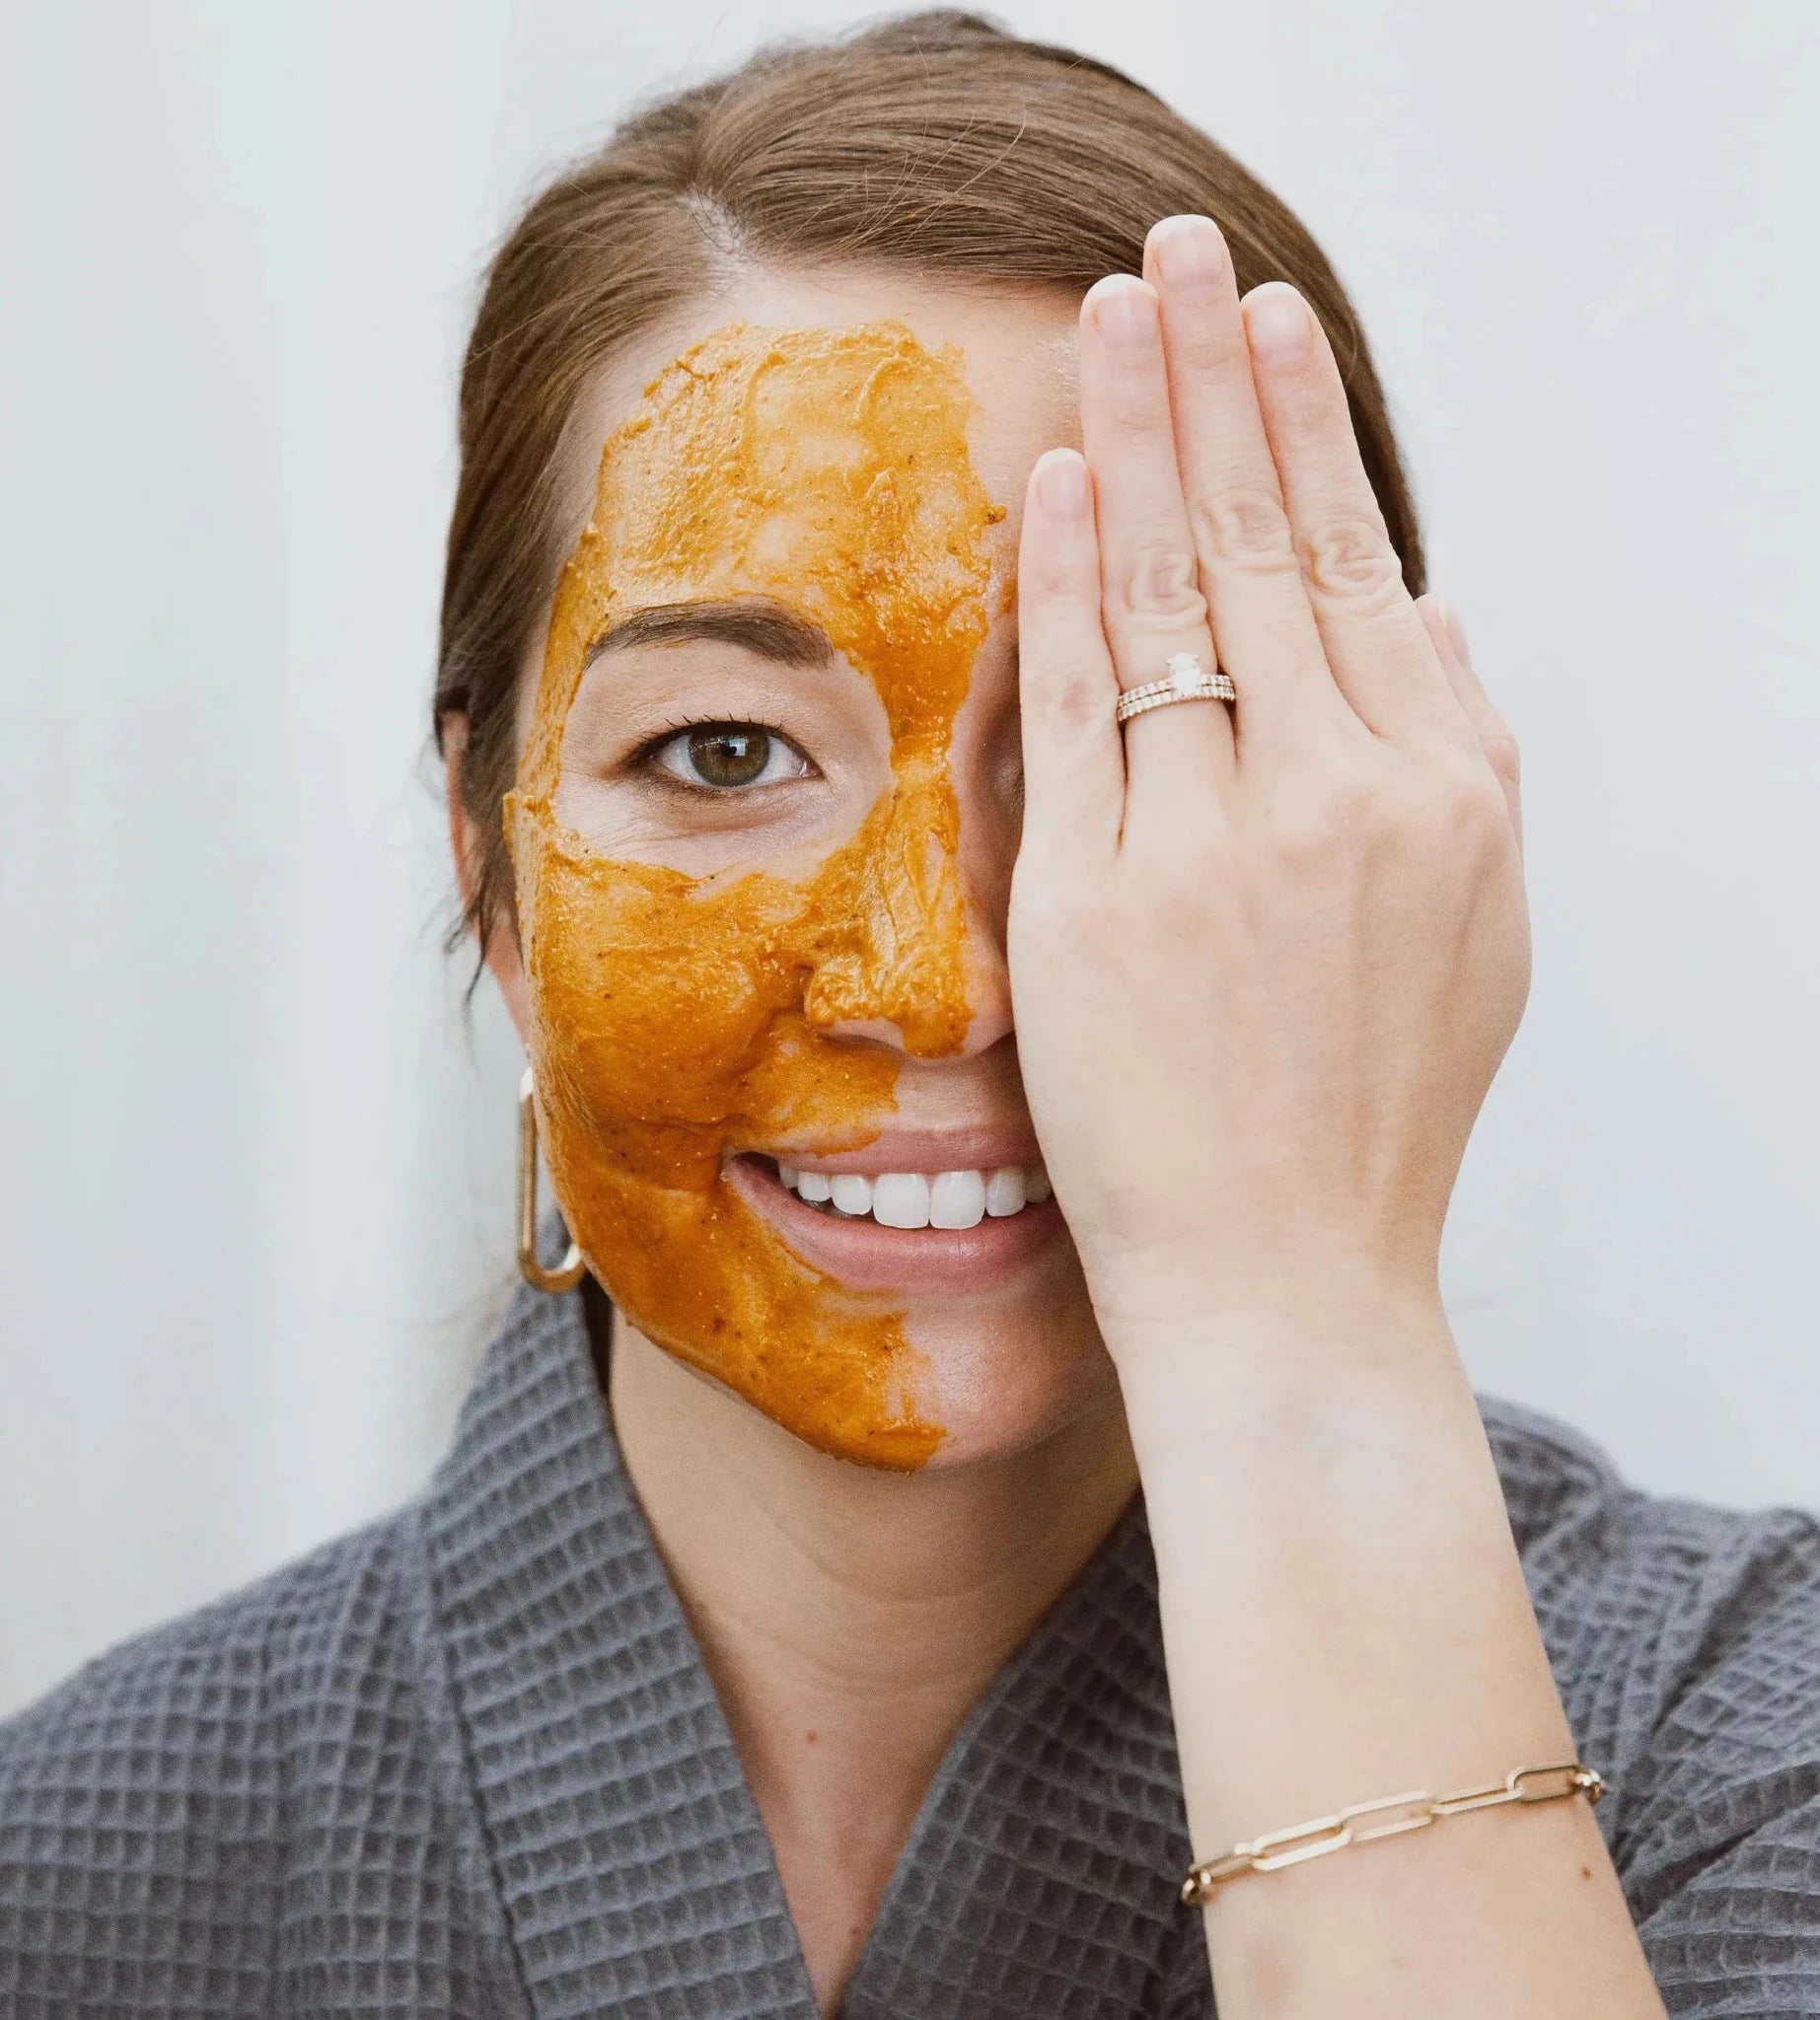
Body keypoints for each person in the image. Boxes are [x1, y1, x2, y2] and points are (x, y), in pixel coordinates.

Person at [3, 13, 1818, 2017]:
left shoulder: (1742, 1749)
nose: (937, 982)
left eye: (1117, 736)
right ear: (484, 861)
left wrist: (1296, 1313)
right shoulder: (69, 1863)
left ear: (1364, 843)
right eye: (718, 750)